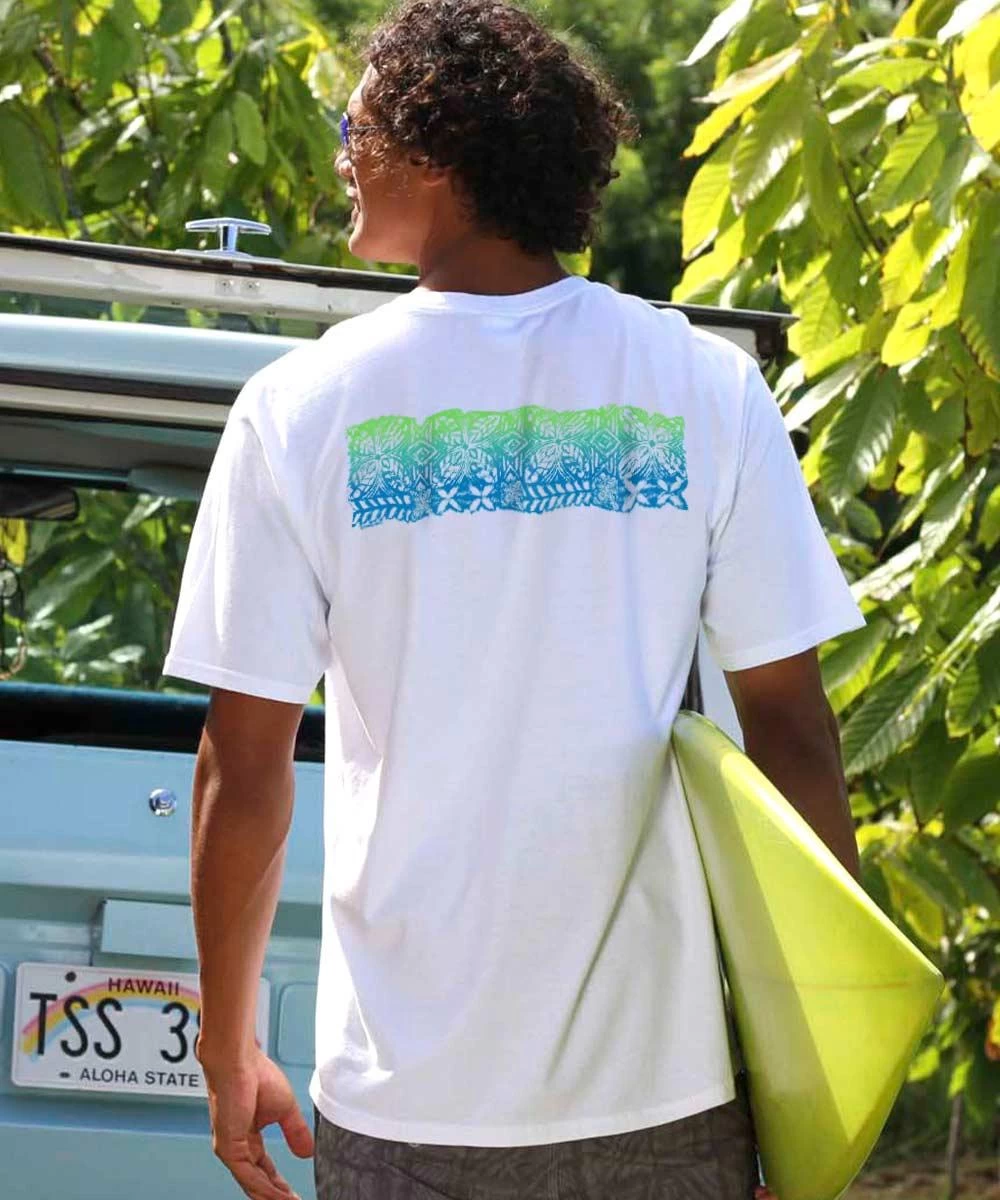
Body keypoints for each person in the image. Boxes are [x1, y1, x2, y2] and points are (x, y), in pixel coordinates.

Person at [162, 1, 865, 1197]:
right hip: (663, 1094)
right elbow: (793, 733)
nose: (340, 157)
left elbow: (245, 767)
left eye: (355, 128)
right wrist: (826, 1077)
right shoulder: (701, 387)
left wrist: (226, 1048)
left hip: (402, 1099)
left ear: (434, 149)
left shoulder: (300, 410)